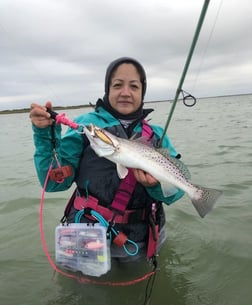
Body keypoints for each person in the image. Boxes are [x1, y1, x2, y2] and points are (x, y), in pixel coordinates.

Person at [30, 57, 184, 262]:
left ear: (142, 92)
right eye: (118, 85)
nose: (126, 92)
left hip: (141, 238)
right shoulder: (85, 125)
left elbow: (176, 193)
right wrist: (44, 135)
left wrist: (156, 185)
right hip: (85, 233)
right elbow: (52, 183)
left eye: (134, 86)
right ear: (107, 89)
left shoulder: (156, 135)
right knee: (84, 291)